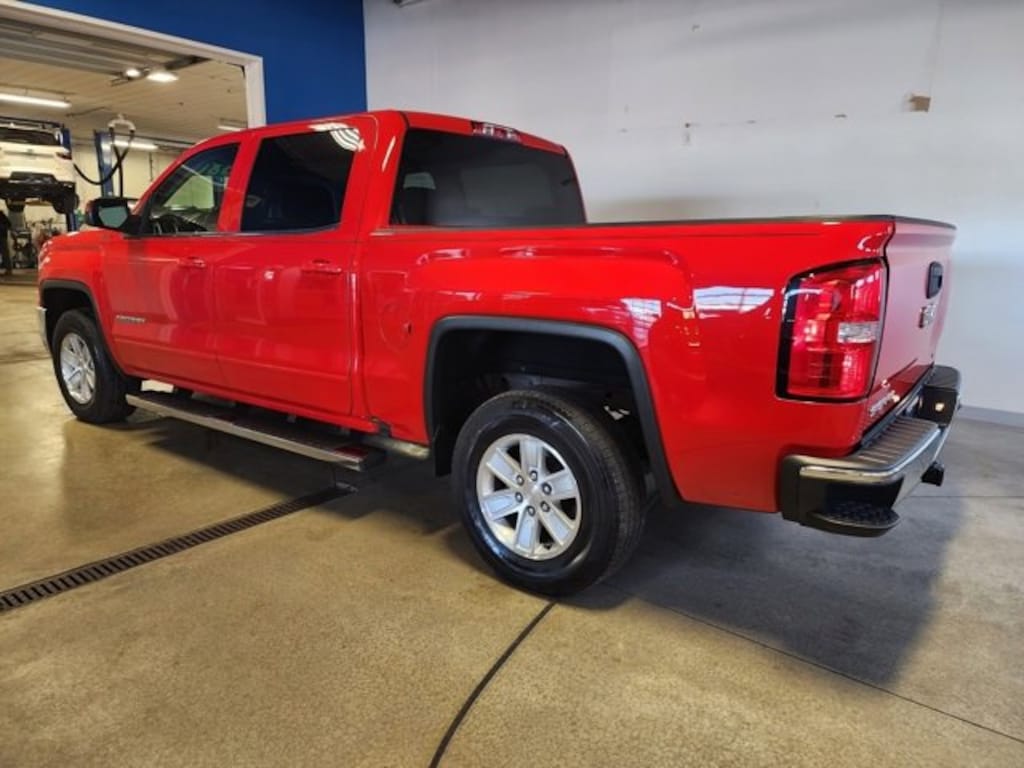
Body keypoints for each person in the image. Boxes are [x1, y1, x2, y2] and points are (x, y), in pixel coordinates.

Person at [0, 207, 11, 275]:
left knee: (5, 253)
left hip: (2, 237)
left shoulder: (1, 215)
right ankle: (8, 269)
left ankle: (8, 269)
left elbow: (9, 224)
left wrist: (2, 227)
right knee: (5, 253)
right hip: (2, 236)